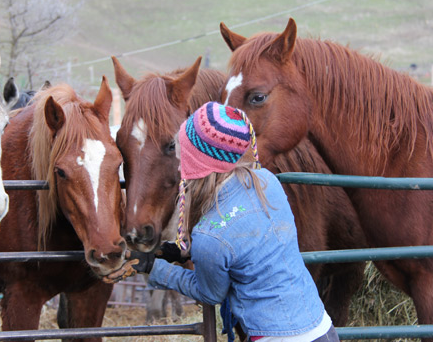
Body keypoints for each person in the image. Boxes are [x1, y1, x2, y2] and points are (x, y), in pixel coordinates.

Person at [126, 101, 339, 342]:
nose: (177, 156)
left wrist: (153, 267)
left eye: (181, 148)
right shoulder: (267, 181)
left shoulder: (210, 235)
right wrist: (186, 252)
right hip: (320, 326)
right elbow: (248, 245)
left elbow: (209, 293)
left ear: (196, 162)